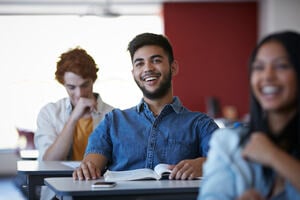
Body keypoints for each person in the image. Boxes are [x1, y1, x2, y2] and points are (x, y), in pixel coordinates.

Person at [72, 32, 219, 181]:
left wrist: (204, 164)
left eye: (156, 60)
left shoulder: (201, 124)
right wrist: (87, 168)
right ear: (134, 73)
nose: (147, 68)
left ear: (173, 68)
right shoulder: (113, 121)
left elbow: (227, 162)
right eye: (139, 63)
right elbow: (91, 165)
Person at [198, 31, 300, 200]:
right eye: (259, 67)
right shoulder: (228, 144)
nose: (267, 76)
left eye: (281, 66)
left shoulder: (268, 151)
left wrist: (273, 156)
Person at [34, 47, 114, 199]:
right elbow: (49, 161)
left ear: (93, 80)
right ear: (63, 84)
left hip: (100, 190)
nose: (79, 94)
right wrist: (73, 118)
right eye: (71, 87)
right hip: (58, 192)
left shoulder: (112, 115)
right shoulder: (49, 113)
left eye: (85, 85)